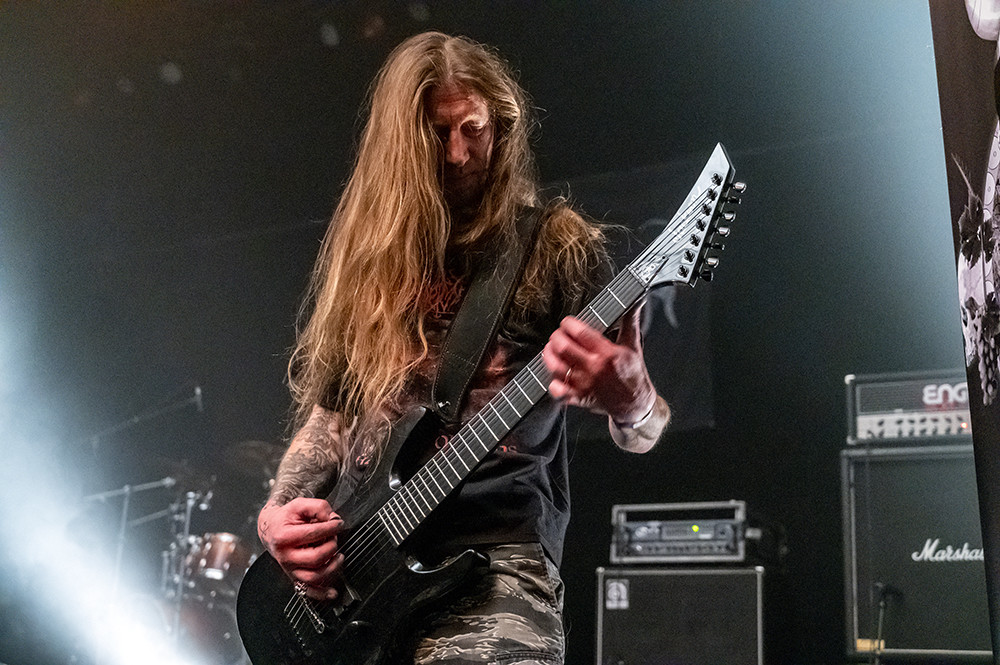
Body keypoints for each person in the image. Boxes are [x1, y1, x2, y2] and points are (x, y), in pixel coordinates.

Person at [255, 31, 669, 665]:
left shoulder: (553, 247)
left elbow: (646, 431)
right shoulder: (370, 262)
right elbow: (329, 420)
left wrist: (632, 402)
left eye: (473, 129)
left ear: (500, 124)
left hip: (495, 565)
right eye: (436, 135)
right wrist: (277, 515)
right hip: (360, 577)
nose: (459, 153)